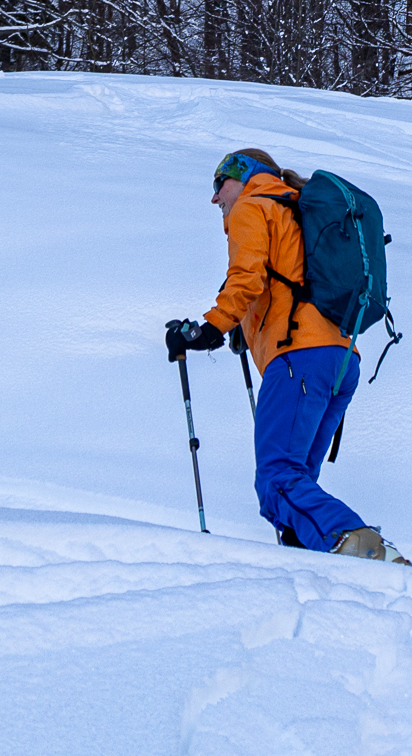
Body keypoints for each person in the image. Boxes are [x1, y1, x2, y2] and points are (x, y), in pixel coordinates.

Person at [167, 148, 398, 561]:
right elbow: (284, 283)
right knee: (297, 482)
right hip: (341, 360)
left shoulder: (253, 207)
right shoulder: (292, 209)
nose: (215, 197)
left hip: (299, 359)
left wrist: (210, 328)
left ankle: (358, 543)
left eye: (219, 184)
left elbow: (247, 279)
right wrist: (242, 328)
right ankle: (327, 561)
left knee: (277, 479)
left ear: (243, 177)